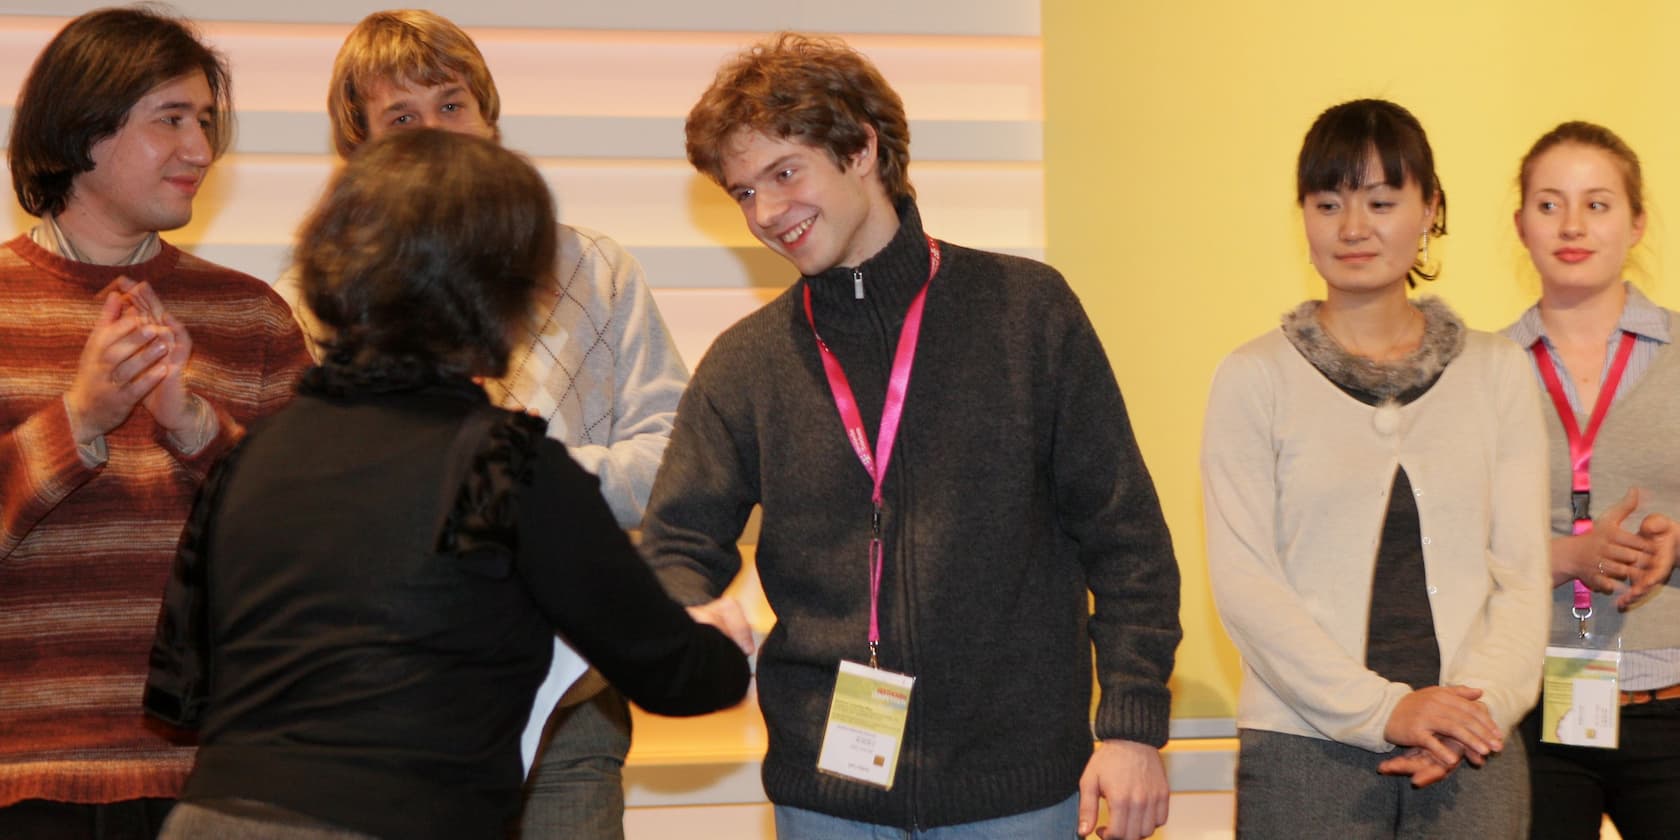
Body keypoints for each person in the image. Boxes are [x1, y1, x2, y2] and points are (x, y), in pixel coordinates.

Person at [144, 128, 752, 840]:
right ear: (498, 290)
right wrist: (721, 644)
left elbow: (187, 683)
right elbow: (675, 675)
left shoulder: (258, 455)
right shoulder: (502, 462)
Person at [646, 32, 1181, 840]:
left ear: (862, 149)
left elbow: (1126, 536)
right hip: (824, 799)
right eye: (743, 192)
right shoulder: (746, 362)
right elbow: (677, 542)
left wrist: (1133, 726)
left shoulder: (1027, 312)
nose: (766, 213)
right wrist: (685, 606)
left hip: (1020, 793)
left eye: (785, 173)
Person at [269, 11, 690, 837]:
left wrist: (534, 473)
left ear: (491, 119)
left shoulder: (595, 271)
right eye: (401, 118)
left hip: (572, 703)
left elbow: (679, 458)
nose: (435, 134)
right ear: (361, 153)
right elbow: (316, 500)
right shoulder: (318, 296)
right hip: (393, 706)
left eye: (452, 105)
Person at [1200, 98, 1551, 837]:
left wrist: (1473, 708)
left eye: (1383, 201)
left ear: (1430, 210)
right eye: (1328, 203)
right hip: (1305, 748)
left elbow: (1524, 573)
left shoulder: (1498, 371)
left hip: (1472, 745)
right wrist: (1384, 708)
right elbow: (1245, 582)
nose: (1353, 227)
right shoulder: (1252, 377)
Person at [0, 8, 312, 838]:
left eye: (206, 123)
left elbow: (317, 553)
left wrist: (199, 428)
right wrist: (79, 420)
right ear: (81, 130)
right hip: (24, 781)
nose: (201, 152)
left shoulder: (251, 317)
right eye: (170, 119)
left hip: (224, 783)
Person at [1504, 121, 1680, 840]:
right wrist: (1562, 558)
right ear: (1520, 224)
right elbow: (1446, 546)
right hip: (1533, 710)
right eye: (1549, 204)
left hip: (1671, 703)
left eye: (1597, 204)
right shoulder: (1480, 371)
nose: (1572, 225)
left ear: (1637, 223)